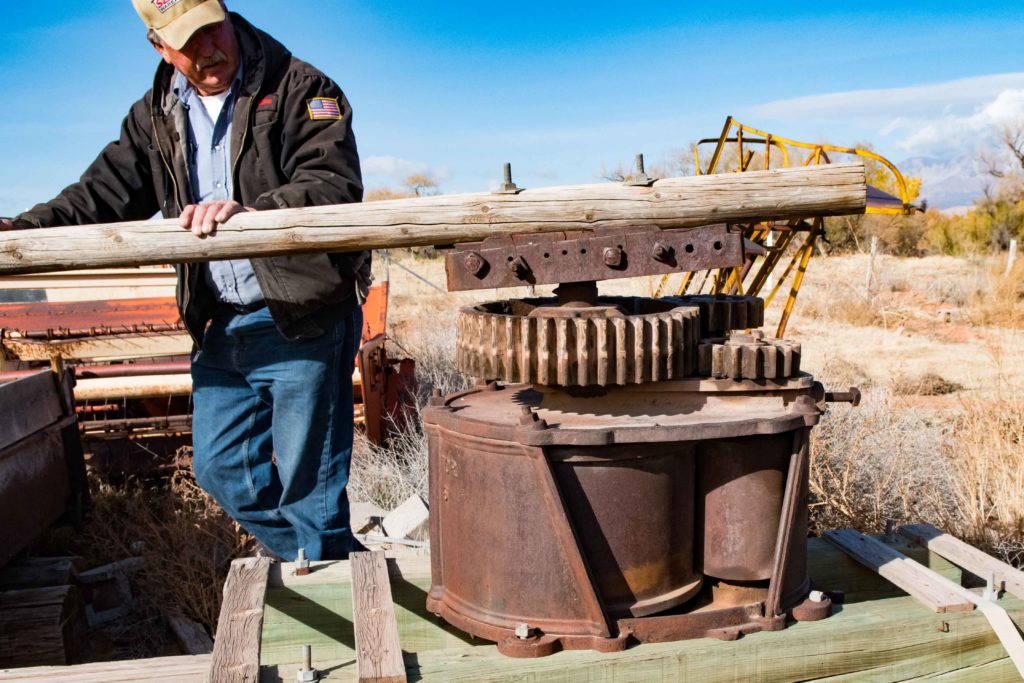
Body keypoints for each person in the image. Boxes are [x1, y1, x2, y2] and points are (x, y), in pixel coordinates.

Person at [0, 0, 369, 561]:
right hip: (220, 320)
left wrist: (252, 212)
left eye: (211, 29)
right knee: (222, 470)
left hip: (300, 316)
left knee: (309, 490)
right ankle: (327, 563)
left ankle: (338, 600)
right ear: (158, 46)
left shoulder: (302, 86)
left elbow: (332, 182)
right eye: (187, 41)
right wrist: (21, 230)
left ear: (226, 13)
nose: (207, 50)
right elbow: (102, 193)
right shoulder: (155, 113)